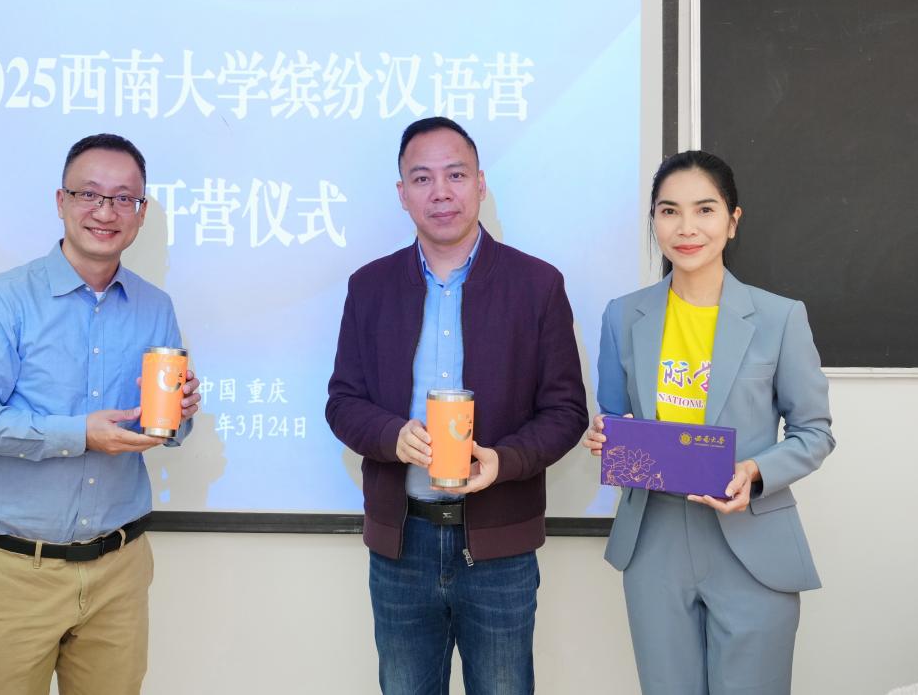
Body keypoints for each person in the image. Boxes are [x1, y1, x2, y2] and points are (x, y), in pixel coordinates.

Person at [326, 116, 588, 695]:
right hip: (402, 547)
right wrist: (391, 435)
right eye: (422, 178)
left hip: (499, 549)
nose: (440, 192)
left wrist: (504, 461)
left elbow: (566, 411)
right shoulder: (369, 286)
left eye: (456, 175)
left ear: (481, 184)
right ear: (402, 193)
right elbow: (342, 402)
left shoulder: (537, 285)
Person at [0, 133, 201, 695]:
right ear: (61, 202)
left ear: (141, 212)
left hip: (120, 570)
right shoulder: (5, 299)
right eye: (90, 194)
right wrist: (79, 434)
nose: (106, 211)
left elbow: (166, 427)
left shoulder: (156, 307)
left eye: (124, 198)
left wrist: (179, 414)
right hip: (19, 571)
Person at [584, 150, 835, 695]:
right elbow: (614, 417)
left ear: (732, 220)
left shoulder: (779, 317)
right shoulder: (623, 316)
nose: (686, 228)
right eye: (669, 211)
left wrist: (755, 472)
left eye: (704, 209)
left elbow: (815, 432)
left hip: (751, 538)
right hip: (654, 537)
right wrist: (604, 436)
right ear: (654, 220)